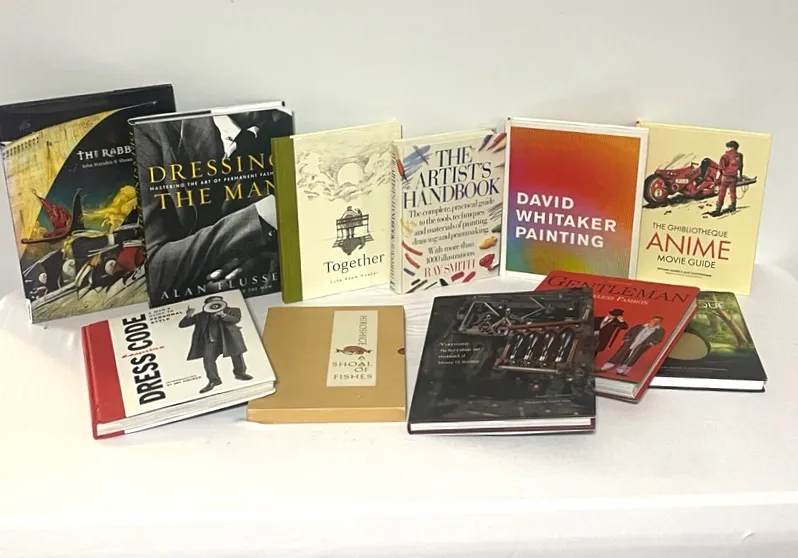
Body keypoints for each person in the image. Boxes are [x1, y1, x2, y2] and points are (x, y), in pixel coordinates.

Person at [134, 110, 294, 302]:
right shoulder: (152, 132)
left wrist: (263, 262)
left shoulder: (288, 127)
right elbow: (153, 270)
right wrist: (262, 215)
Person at [178, 295, 252, 394]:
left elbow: (235, 319)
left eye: (218, 302)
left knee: (236, 355)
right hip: (211, 340)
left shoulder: (233, 310)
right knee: (208, 359)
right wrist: (188, 315)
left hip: (228, 338)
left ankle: (240, 373)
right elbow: (182, 325)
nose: (216, 305)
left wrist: (224, 315)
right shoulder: (201, 315)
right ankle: (214, 380)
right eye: (212, 303)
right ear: (207, 305)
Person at [600, 316, 665, 375]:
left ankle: (621, 371)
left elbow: (659, 339)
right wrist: (627, 340)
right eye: (654, 320)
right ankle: (604, 368)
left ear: (660, 322)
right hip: (629, 344)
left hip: (640, 346)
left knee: (631, 359)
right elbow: (629, 332)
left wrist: (649, 344)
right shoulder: (639, 326)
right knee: (618, 355)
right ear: (651, 320)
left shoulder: (660, 330)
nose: (655, 322)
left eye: (657, 321)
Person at [712, 140, 743, 216]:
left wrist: (716, 180)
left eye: (728, 147)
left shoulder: (725, 156)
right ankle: (733, 206)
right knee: (733, 192)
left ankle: (718, 209)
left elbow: (720, 169)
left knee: (722, 193)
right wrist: (740, 175)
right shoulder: (740, 156)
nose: (726, 149)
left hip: (725, 178)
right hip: (734, 177)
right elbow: (741, 167)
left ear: (731, 147)